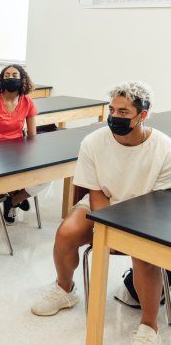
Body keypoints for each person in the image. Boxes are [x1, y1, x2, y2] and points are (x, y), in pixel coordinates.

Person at [30, 82, 171, 345]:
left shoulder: (164, 148)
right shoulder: (94, 142)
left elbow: (159, 200)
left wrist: (128, 236)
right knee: (66, 233)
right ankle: (65, 289)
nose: (115, 117)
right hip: (104, 204)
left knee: (144, 257)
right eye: (113, 110)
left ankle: (149, 325)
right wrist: (107, 230)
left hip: (145, 211)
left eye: (124, 112)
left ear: (143, 115)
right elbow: (96, 192)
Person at [0, 64, 49, 224]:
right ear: (1, 80)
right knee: (10, 178)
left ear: (21, 79)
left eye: (14, 75)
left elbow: (33, 135)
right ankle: (14, 194)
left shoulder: (27, 101)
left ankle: (14, 199)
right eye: (7, 75)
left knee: (47, 176)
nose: (11, 78)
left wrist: (32, 156)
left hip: (20, 151)